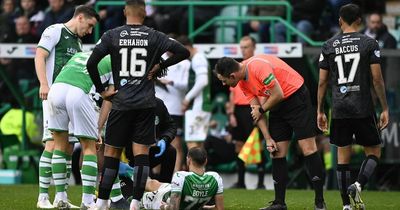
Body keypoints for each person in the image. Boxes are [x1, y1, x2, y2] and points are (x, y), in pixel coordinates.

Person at [86, 0, 190, 209]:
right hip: (145, 104)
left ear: (125, 12)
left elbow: (91, 63)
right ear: (144, 13)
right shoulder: (154, 35)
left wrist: (102, 90)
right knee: (142, 154)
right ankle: (135, 202)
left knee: (112, 153)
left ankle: (102, 202)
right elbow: (183, 52)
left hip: (121, 103)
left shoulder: (112, 35)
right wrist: (161, 64)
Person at [214, 55, 327, 210]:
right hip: (275, 104)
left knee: (308, 148)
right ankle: (279, 203)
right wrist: (267, 138)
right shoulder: (242, 83)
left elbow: (277, 94)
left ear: (232, 75)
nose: (223, 84)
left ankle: (320, 202)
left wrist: (261, 109)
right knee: (276, 152)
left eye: (224, 80)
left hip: (295, 97)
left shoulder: (257, 67)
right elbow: (257, 113)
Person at [317, 4, 389, 210]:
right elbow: (377, 78)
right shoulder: (369, 43)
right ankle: (358, 184)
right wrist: (384, 108)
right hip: (363, 107)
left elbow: (322, 82)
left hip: (339, 109)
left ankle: (346, 206)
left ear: (340, 21)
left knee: (342, 157)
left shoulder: (328, 45)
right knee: (374, 152)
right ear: (360, 20)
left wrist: (320, 110)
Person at [34, 5, 99, 209]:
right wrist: (44, 83)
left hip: (67, 98)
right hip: (52, 94)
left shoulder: (77, 43)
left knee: (68, 147)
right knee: (52, 144)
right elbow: (39, 55)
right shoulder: (55, 31)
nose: (89, 31)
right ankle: (43, 197)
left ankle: (61, 196)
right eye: (89, 26)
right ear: (80, 17)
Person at [47, 51, 113, 209]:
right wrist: (98, 128)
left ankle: (60, 197)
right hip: (79, 91)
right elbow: (109, 98)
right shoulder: (116, 60)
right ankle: (88, 201)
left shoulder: (80, 54)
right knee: (89, 147)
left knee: (60, 146)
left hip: (56, 90)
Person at [227, 36, 266, 189]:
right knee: (239, 145)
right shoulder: (236, 67)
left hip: (253, 108)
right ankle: (241, 181)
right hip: (238, 110)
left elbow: (263, 92)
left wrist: (260, 111)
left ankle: (261, 183)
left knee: (257, 145)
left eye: (246, 47)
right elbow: (232, 92)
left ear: (253, 48)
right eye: (242, 47)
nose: (243, 50)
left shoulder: (257, 65)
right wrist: (231, 114)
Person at [140, 147, 224, 210]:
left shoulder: (180, 176)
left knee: (139, 195)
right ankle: (133, 174)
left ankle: (133, 174)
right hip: (171, 191)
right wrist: (201, 207)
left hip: (162, 198)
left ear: (188, 160)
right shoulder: (215, 177)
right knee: (154, 183)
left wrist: (164, 207)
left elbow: (174, 208)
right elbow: (219, 208)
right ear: (206, 161)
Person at [155, 46, 190, 172]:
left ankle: (176, 175)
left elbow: (187, 85)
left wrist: (171, 82)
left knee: (176, 144)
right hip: (158, 107)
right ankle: (155, 176)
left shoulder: (185, 63)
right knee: (155, 142)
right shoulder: (158, 59)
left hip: (175, 108)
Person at [177, 35, 212, 150]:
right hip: (201, 106)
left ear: (186, 47)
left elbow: (203, 81)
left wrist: (187, 99)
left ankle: (194, 169)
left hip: (198, 106)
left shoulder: (198, 58)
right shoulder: (199, 58)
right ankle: (200, 168)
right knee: (198, 144)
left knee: (192, 144)